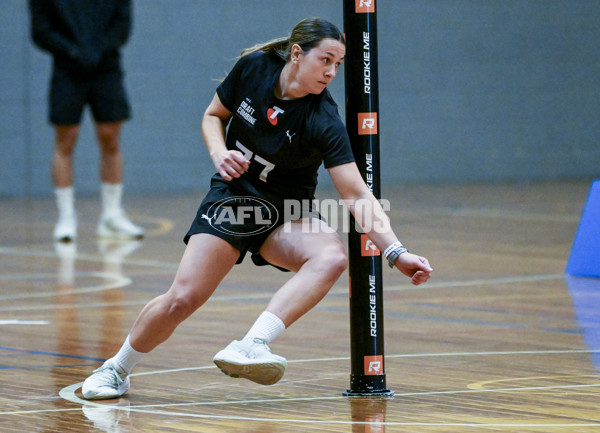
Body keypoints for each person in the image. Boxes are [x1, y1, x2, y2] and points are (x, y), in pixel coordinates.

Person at [81, 17, 433, 400]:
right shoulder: (255, 68)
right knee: (182, 298)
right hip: (233, 200)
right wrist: (219, 153)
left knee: (331, 256)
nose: (331, 71)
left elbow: (356, 194)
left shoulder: (323, 119)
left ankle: (252, 344)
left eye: (338, 63)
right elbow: (213, 115)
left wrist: (396, 252)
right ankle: (116, 368)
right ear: (297, 54)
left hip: (285, 213)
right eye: (325, 60)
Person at [29, 0, 144, 242]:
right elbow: (40, 31)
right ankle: (66, 217)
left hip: (106, 68)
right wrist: (72, 52)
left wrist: (100, 51)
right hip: (67, 70)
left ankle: (112, 216)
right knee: (65, 139)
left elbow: (122, 24)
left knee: (110, 137)